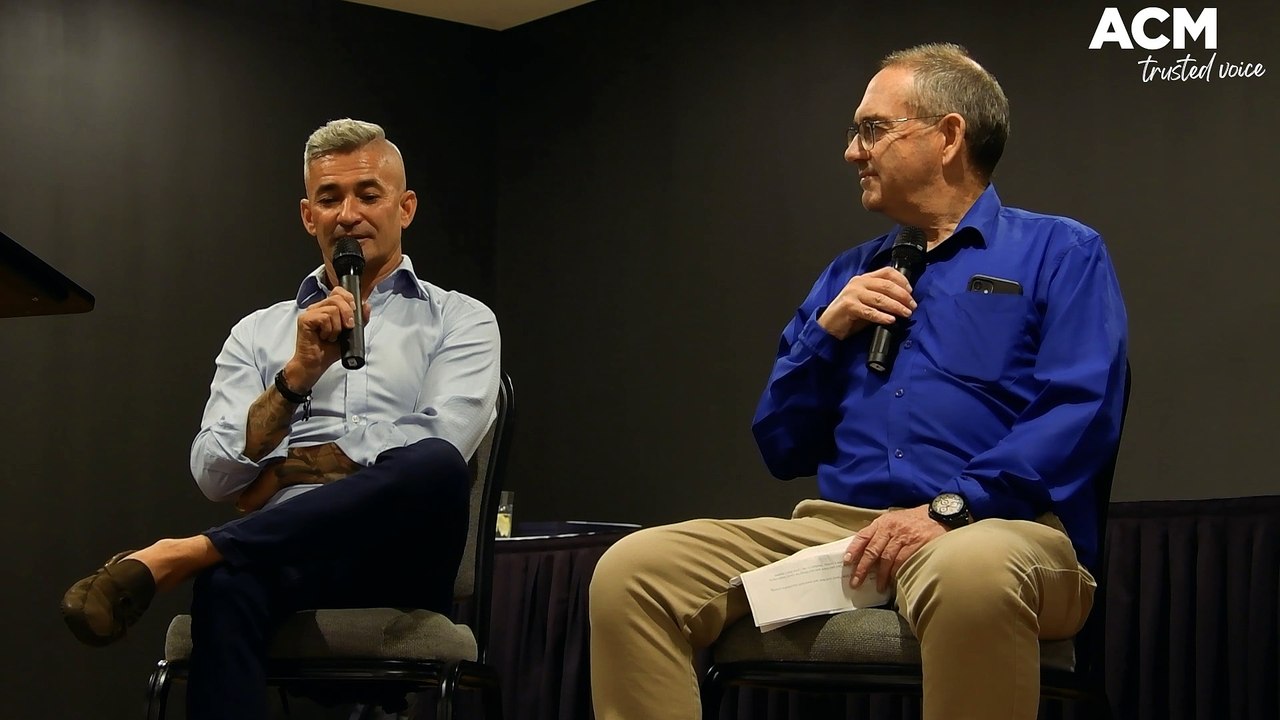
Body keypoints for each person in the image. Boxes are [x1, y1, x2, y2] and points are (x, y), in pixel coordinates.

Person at [589, 43, 1127, 720]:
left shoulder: (1060, 251)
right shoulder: (848, 275)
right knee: (634, 571)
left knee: (970, 571)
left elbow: (1078, 413)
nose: (852, 152)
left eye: (871, 129)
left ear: (949, 136)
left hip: (998, 530)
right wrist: (826, 330)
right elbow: (782, 446)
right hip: (844, 535)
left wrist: (950, 509)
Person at [60, 119, 501, 720]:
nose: (348, 213)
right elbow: (215, 476)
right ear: (307, 216)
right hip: (294, 552)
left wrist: (283, 471)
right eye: (329, 198)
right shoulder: (258, 333)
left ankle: (189, 551)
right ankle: (214, 558)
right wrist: (295, 378)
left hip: (404, 553)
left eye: (368, 194)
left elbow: (441, 441)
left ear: (406, 206)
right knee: (227, 584)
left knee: (436, 465)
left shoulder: (462, 319)